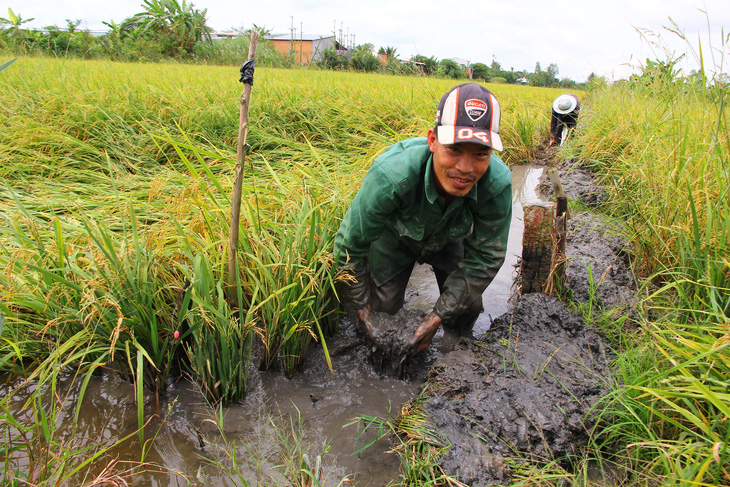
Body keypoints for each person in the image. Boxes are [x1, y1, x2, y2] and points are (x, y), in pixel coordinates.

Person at [333, 82, 512, 357]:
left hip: (451, 237)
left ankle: (457, 357)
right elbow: (350, 245)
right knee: (381, 318)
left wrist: (436, 317)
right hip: (394, 237)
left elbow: (487, 256)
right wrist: (362, 310)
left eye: (480, 154)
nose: (465, 168)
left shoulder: (497, 184)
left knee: (466, 310)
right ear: (432, 140)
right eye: (453, 149)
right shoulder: (391, 175)